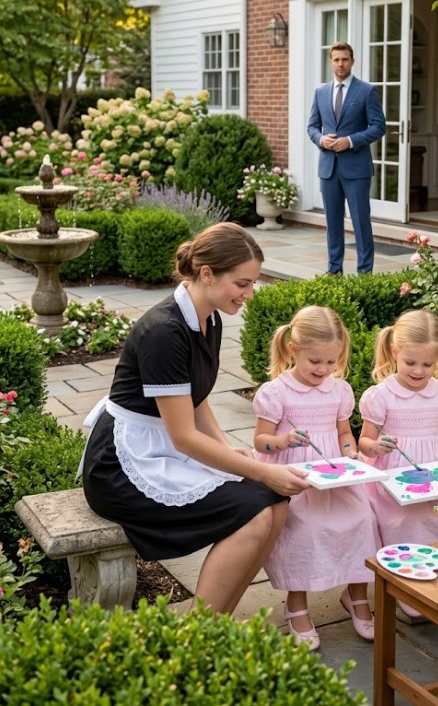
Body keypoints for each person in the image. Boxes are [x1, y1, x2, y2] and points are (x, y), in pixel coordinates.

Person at [82, 222, 310, 615]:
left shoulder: (210, 318)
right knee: (255, 512)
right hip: (123, 463)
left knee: (276, 504)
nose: (250, 294)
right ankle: (199, 637)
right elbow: (185, 437)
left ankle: (215, 622)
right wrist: (260, 471)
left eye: (252, 283)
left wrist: (226, 448)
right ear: (207, 274)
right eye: (242, 283)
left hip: (162, 444)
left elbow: (196, 398)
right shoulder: (164, 332)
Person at [253, 306, 380, 649]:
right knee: (304, 528)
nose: (323, 370)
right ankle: (296, 603)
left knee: (362, 518)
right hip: (294, 474)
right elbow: (260, 440)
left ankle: (356, 594)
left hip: (333, 472)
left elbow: (343, 433)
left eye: (331, 362)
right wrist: (281, 441)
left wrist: (350, 452)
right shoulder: (277, 392)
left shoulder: (338, 391)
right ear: (293, 350)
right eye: (315, 362)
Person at [358, 309, 438, 618]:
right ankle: (408, 581)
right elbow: (364, 441)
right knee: (406, 522)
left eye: (428, 364)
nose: (418, 371)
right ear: (393, 352)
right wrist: (376, 446)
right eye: (410, 363)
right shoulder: (381, 396)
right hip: (393, 477)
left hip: (433, 470)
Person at [307, 41, 386, 275]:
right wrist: (321, 139)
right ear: (330, 62)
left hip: (357, 169)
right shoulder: (320, 92)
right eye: (336, 59)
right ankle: (334, 270)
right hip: (328, 168)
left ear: (352, 61)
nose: (340, 64)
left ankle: (365, 273)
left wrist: (349, 141)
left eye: (345, 59)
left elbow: (379, 127)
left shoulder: (366, 91)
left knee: (361, 223)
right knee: (333, 223)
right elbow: (312, 126)